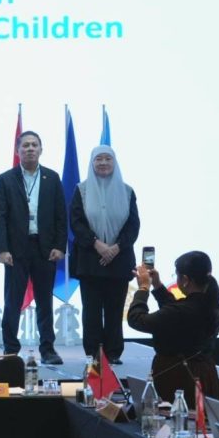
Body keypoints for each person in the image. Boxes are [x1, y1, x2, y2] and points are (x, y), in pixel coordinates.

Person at [0, 131, 67, 364]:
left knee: (45, 301)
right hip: (15, 251)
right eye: (25, 145)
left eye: (35, 145)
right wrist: (2, 249)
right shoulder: (6, 179)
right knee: (12, 301)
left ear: (41, 150)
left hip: (45, 249)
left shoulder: (52, 177)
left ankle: (48, 349)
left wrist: (60, 246)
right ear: (18, 151)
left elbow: (60, 215)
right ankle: (10, 349)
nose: (30, 149)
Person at [69, 145, 140, 364]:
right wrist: (97, 244)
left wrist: (115, 247)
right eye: (98, 159)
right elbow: (76, 223)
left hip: (119, 259)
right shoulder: (81, 190)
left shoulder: (127, 191)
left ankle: (113, 352)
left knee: (115, 309)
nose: (103, 163)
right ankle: (94, 353)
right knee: (91, 310)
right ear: (92, 163)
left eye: (107, 159)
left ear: (114, 162)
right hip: (90, 259)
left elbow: (133, 226)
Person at [127, 252, 219, 406]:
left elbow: (137, 319)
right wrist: (157, 285)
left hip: (180, 378)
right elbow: (174, 312)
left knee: (179, 417)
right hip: (205, 373)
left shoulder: (182, 311)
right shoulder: (211, 304)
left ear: (185, 280)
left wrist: (143, 288)